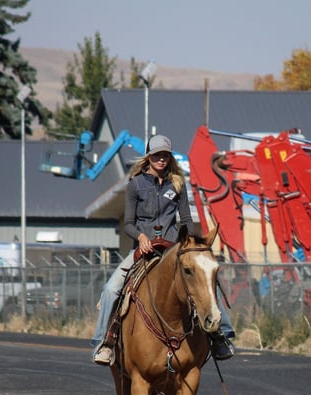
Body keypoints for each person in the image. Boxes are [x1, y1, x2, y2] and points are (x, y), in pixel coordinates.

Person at [91, 134, 236, 365]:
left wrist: (189, 244)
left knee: (205, 284)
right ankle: (104, 343)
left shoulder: (177, 183)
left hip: (173, 249)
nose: (161, 159)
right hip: (143, 250)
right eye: (157, 155)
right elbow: (128, 223)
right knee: (111, 289)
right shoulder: (135, 184)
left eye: (165, 155)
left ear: (169, 157)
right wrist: (141, 237)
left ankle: (221, 336)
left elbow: (186, 219)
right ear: (149, 156)